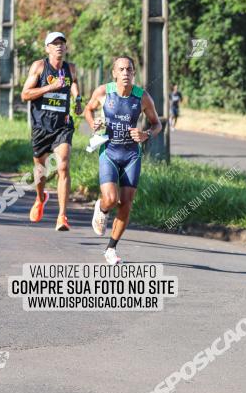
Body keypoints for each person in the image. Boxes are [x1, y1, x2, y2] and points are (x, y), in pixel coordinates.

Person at [83, 56, 162, 264]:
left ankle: (111, 248)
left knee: (126, 203)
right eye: (121, 69)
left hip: (131, 155)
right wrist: (94, 124)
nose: (125, 73)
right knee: (110, 199)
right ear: (114, 73)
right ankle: (101, 208)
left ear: (134, 73)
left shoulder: (142, 97)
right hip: (109, 151)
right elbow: (87, 110)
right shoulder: (103, 92)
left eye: (129, 69)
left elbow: (157, 124)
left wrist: (145, 134)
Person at [20, 32, 83, 230]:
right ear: (47, 48)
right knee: (40, 171)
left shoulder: (70, 68)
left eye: (62, 43)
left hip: (62, 126)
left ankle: (62, 216)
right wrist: (49, 87)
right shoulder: (39, 67)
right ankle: (40, 198)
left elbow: (73, 83)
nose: (59, 47)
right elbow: (25, 94)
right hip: (41, 127)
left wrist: (78, 99)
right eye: (54, 44)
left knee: (63, 166)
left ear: (66, 48)